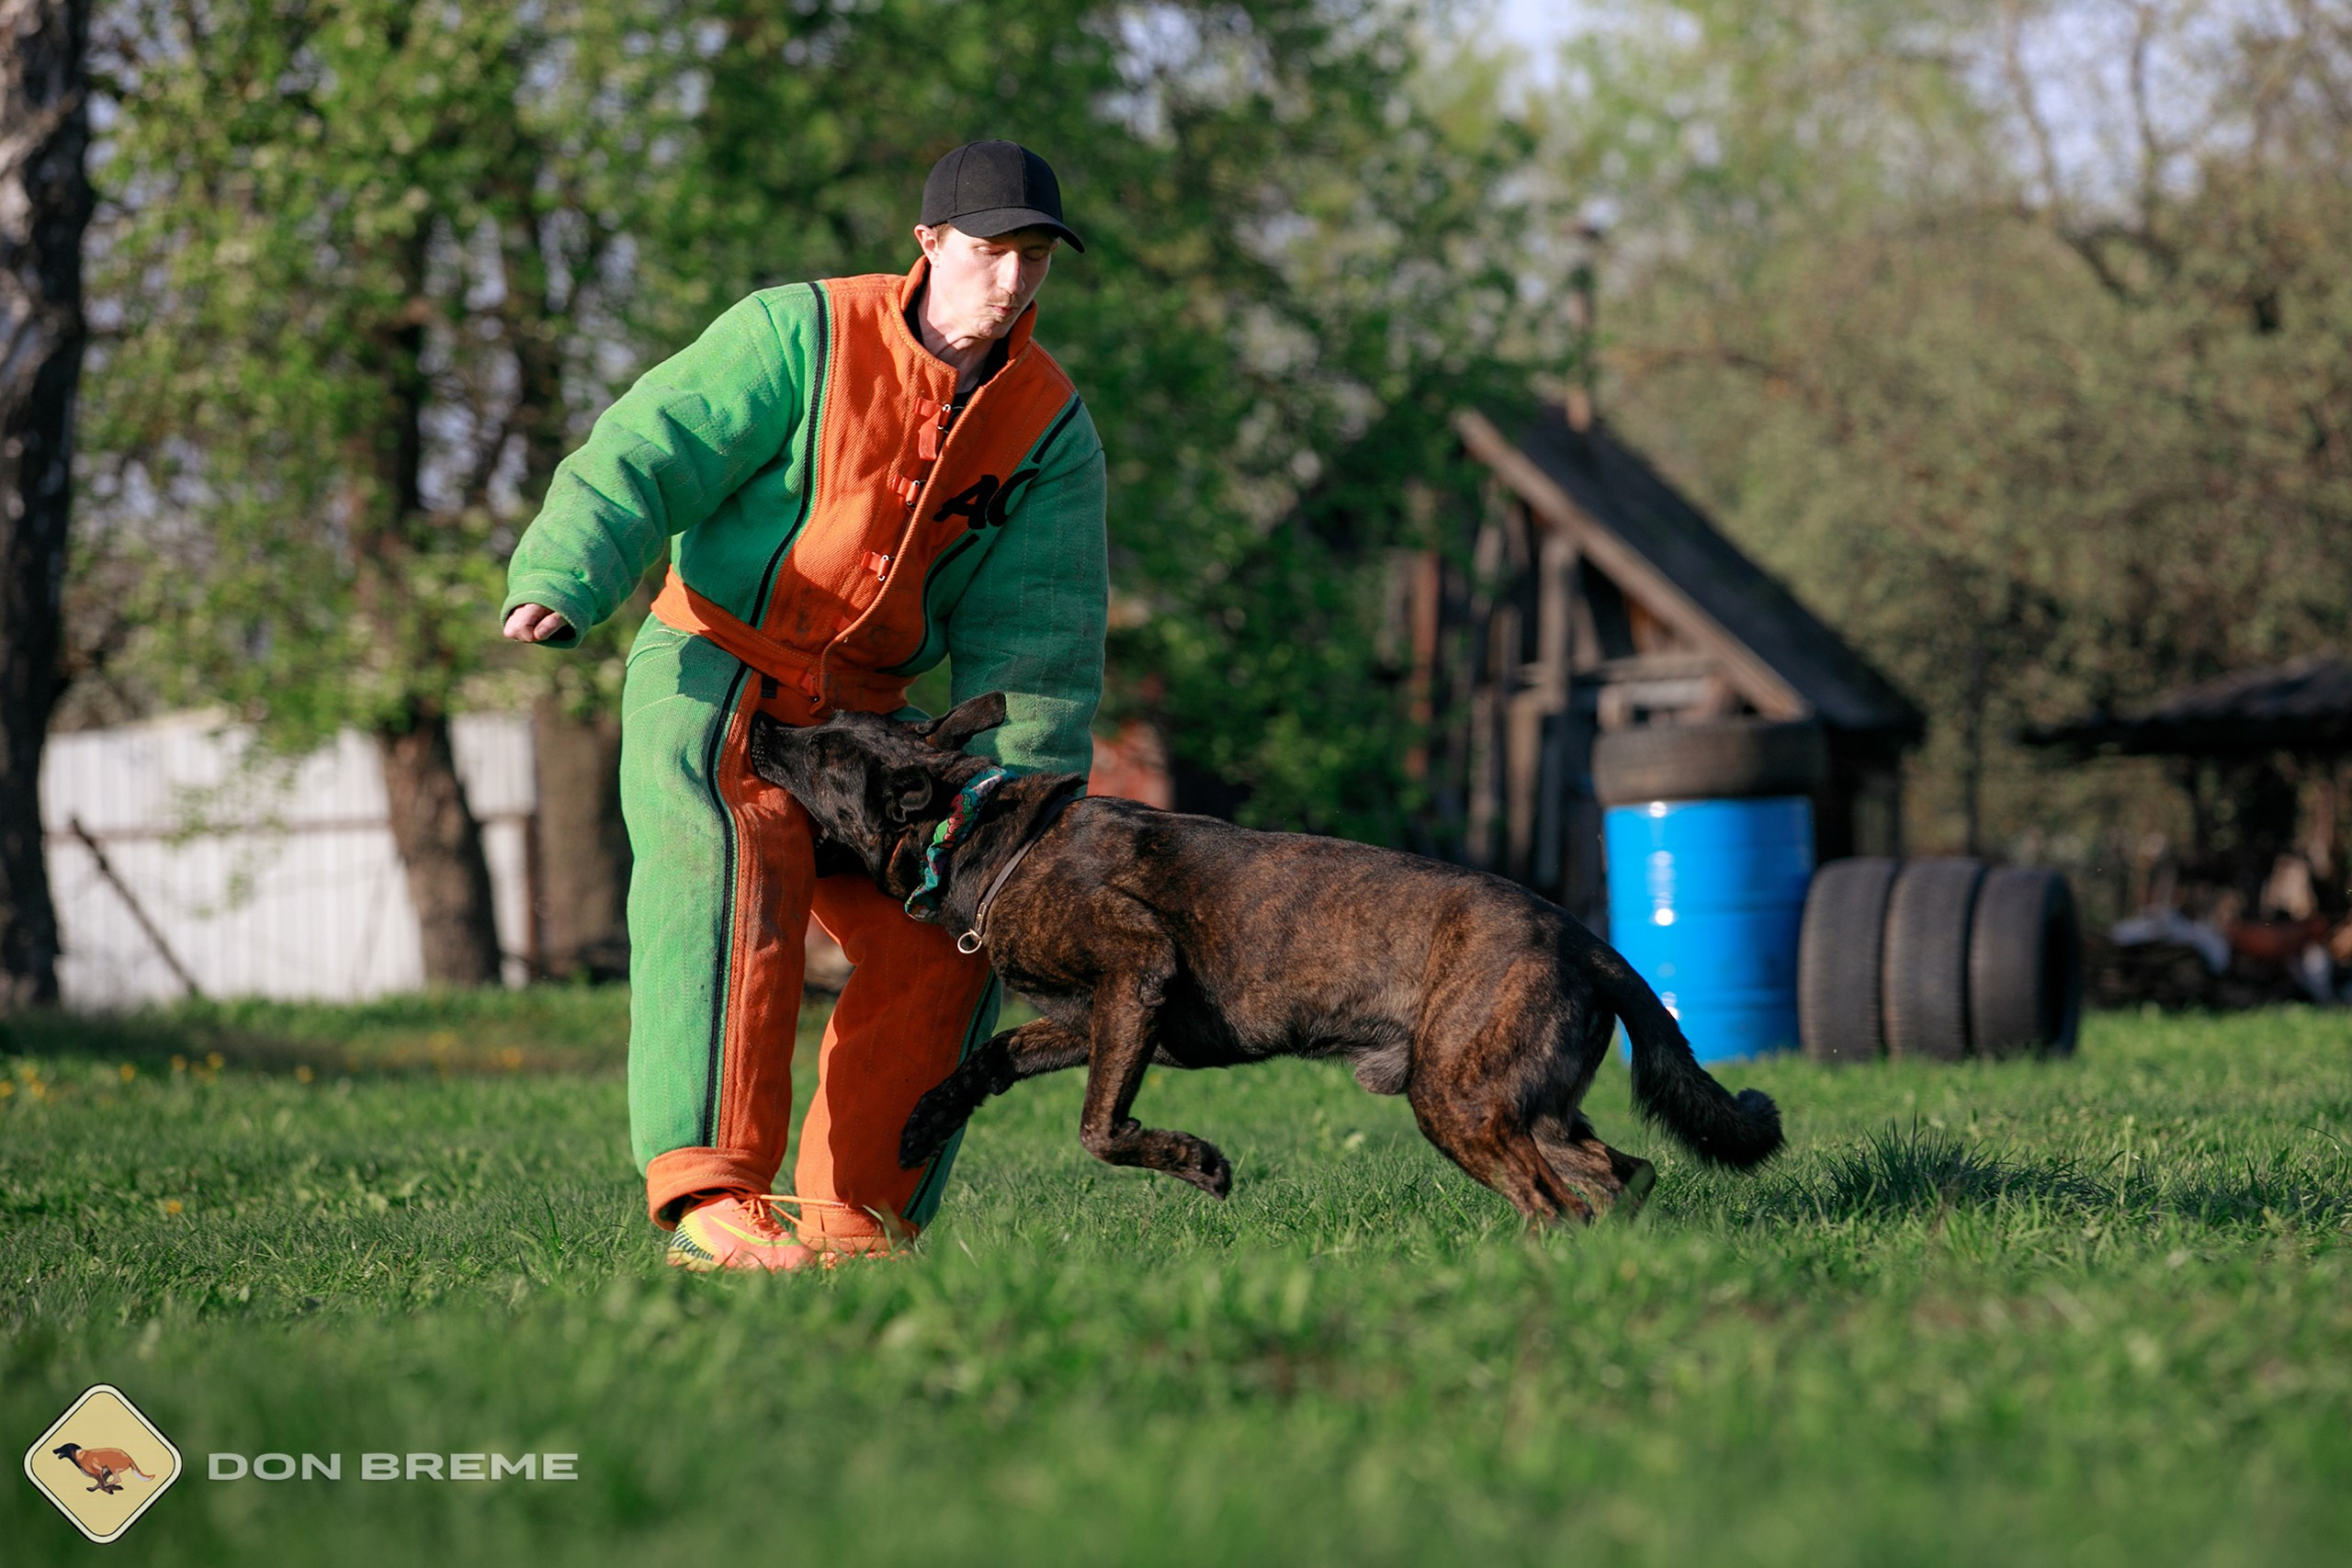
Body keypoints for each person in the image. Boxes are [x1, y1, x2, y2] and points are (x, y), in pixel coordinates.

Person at [499, 141, 1107, 1270]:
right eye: (989, 252)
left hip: (868, 718)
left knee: (956, 926)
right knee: (732, 857)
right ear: (927, 245)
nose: (1012, 281)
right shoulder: (799, 333)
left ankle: (854, 1222)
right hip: (715, 663)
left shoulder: (1048, 424)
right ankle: (712, 1200)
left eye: (1033, 259)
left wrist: (1014, 821)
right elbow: (651, 445)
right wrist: (564, 573)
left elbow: (1041, 634)